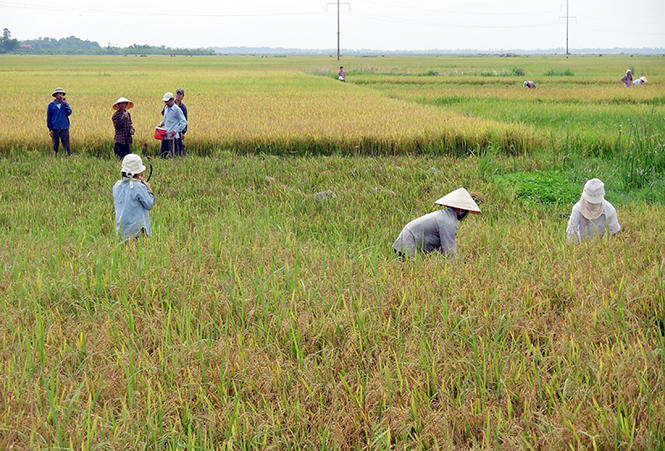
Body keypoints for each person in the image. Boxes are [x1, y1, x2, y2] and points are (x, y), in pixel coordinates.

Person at [392, 188, 481, 258]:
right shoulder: (448, 222)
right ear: (460, 209)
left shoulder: (444, 216)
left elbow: (441, 249)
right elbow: (449, 252)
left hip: (403, 242)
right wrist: (462, 264)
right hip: (407, 245)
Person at [113, 154, 155, 241]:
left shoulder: (117, 185)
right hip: (138, 232)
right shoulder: (139, 187)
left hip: (122, 231)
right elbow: (149, 205)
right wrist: (148, 190)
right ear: (138, 172)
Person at [566, 178, 620, 243]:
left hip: (602, 246)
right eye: (590, 202)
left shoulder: (609, 210)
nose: (592, 205)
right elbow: (571, 231)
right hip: (581, 245)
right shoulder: (577, 209)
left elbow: (615, 232)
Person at [158, 92, 187, 158]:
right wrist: (161, 124)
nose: (166, 103)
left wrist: (175, 131)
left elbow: (183, 122)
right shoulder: (165, 108)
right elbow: (165, 119)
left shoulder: (177, 110)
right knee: (162, 156)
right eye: (165, 102)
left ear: (172, 100)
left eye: (167, 101)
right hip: (165, 135)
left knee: (174, 156)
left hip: (173, 137)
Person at [46, 87, 73, 156]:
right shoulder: (51, 105)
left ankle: (67, 159)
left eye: (61, 94)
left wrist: (65, 104)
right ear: (55, 95)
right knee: (55, 146)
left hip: (64, 128)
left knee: (66, 146)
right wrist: (50, 129)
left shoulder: (65, 104)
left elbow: (69, 112)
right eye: (59, 94)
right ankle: (55, 159)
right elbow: (49, 118)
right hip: (55, 129)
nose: (60, 95)